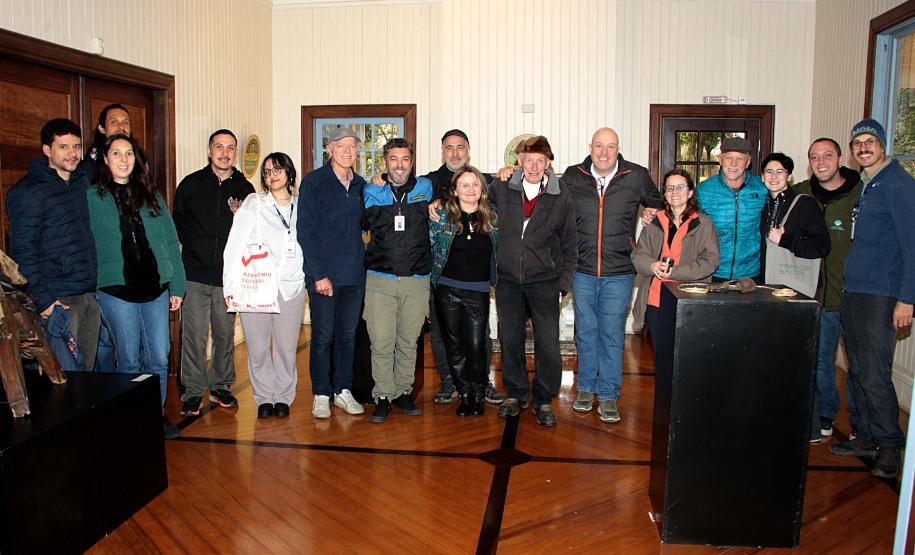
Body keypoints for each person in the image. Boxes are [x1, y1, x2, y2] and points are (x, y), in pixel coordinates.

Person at [381, 129, 505, 405]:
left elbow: (499, 199)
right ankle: (450, 382)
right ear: (442, 151)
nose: (455, 152)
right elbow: (396, 183)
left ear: (468, 150)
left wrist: (509, 171)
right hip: (441, 276)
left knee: (479, 337)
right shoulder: (427, 182)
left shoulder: (483, 180)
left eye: (460, 147)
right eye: (449, 148)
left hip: (478, 281)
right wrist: (381, 179)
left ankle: (481, 383)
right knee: (441, 334)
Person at [828, 119, 915, 479]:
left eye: (869, 141)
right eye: (857, 143)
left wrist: (906, 300)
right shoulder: (869, 185)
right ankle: (865, 436)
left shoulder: (899, 184)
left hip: (881, 296)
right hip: (856, 292)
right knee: (858, 370)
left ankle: (891, 447)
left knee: (876, 374)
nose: (863, 147)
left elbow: (912, 247)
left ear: (882, 145)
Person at [561, 127, 662, 423]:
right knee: (586, 333)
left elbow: (660, 203)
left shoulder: (636, 176)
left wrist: (650, 212)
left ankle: (607, 395)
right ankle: (585, 388)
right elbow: (549, 201)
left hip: (619, 272)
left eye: (611, 146)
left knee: (612, 334)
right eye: (599, 146)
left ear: (618, 149)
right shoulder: (573, 175)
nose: (604, 152)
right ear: (590, 146)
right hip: (582, 270)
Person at [87, 134, 184, 439]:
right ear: (105, 158)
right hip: (116, 291)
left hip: (155, 289)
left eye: (129, 153)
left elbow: (171, 241)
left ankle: (153, 414)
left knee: (159, 355)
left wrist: (177, 286)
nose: (123, 159)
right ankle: (132, 416)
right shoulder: (91, 198)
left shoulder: (151, 196)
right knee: (128, 357)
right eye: (116, 153)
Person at [491, 136, 577, 426]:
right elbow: (471, 197)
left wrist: (563, 285)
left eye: (541, 160)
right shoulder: (502, 187)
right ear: (519, 162)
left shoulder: (560, 194)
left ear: (549, 163)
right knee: (510, 339)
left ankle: (543, 399)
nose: (535, 165)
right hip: (508, 281)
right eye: (529, 159)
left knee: (548, 343)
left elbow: (570, 245)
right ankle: (515, 393)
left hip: (546, 281)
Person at [7, 118, 101, 371]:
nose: (72, 153)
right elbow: (22, 252)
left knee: (87, 374)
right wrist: (45, 301)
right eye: (63, 147)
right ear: (47, 150)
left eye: (77, 146)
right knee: (61, 375)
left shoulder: (84, 184)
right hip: (58, 299)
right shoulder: (28, 192)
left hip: (89, 295)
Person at [173, 129, 255, 416]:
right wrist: (195, 248)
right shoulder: (190, 185)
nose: (224, 152)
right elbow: (178, 224)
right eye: (218, 147)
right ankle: (193, 392)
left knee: (224, 336)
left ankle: (221, 386)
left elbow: (251, 232)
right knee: (193, 338)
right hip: (194, 276)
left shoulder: (245, 190)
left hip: (229, 278)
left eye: (230, 148)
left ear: (234, 152)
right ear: (209, 151)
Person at [223, 152, 306, 419]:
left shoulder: (302, 206)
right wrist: (229, 286)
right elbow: (234, 246)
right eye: (267, 172)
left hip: (291, 287)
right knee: (257, 348)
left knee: (285, 349)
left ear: (290, 173)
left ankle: (283, 396)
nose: (272, 175)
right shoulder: (254, 203)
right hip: (257, 288)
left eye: (277, 170)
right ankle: (263, 398)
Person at [792, 138, 862, 442]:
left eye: (828, 156)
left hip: (858, 293)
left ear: (840, 158)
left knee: (860, 365)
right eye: (814, 157)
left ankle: (862, 427)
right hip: (816, 294)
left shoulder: (861, 193)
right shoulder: (801, 193)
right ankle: (825, 413)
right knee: (821, 359)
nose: (821, 162)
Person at [297, 128, 367, 419]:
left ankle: (343, 390)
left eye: (352, 146)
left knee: (348, 336)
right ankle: (321, 393)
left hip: (354, 275)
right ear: (329, 149)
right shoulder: (314, 182)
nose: (348, 151)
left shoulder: (362, 184)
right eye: (342, 146)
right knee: (323, 337)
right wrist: (318, 275)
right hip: (324, 277)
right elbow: (305, 231)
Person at [363, 138, 433, 423]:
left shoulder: (426, 188)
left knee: (408, 341)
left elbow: (461, 177)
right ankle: (383, 395)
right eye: (394, 159)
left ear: (412, 161)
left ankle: (403, 392)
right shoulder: (370, 190)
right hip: (380, 279)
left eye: (405, 159)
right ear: (385, 161)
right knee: (381, 342)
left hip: (417, 279)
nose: (400, 165)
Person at [632, 169, 719, 388]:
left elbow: (711, 261)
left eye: (680, 187)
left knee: (688, 356)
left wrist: (676, 272)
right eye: (670, 188)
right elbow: (638, 255)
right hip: (657, 299)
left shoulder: (703, 223)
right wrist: (652, 265)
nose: (675, 192)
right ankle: (664, 404)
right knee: (661, 357)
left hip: (689, 298)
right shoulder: (655, 221)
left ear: (690, 192)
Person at [430, 166, 498, 417]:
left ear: (482, 189)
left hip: (478, 291)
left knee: (477, 344)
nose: (470, 190)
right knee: (454, 344)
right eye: (464, 185)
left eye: (475, 184)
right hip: (446, 289)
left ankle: (478, 393)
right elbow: (429, 245)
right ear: (455, 191)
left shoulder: (493, 217)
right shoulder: (441, 215)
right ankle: (465, 394)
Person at [83, 102, 142, 373]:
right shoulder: (86, 172)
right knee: (103, 345)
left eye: (126, 122)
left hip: (136, 278)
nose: (121, 127)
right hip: (103, 277)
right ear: (101, 128)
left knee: (134, 350)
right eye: (115, 122)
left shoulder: (139, 166)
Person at [696, 137, 767, 281]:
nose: (733, 164)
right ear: (720, 159)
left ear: (748, 162)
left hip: (750, 274)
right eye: (728, 158)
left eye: (739, 159)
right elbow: (683, 217)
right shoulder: (704, 190)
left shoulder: (762, 188)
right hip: (712, 272)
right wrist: (652, 212)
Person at [758, 152, 830, 283]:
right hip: (766, 280)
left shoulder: (804, 203)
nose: (774, 176)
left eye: (780, 172)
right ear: (763, 177)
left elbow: (821, 246)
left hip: (793, 282)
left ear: (789, 176)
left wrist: (784, 240)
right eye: (769, 172)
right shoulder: (762, 205)